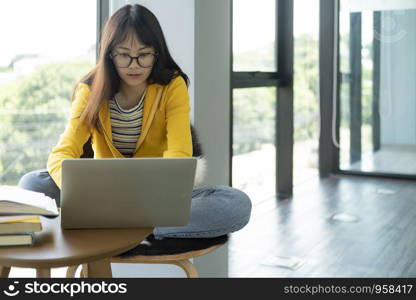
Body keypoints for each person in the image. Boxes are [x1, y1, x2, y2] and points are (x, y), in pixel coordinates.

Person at [18, 4, 251, 240]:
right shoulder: (89, 89)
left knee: (235, 203)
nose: (134, 64)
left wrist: (162, 198)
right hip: (103, 196)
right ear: (110, 54)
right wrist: (85, 194)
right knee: (32, 183)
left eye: (144, 54)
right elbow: (61, 155)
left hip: (155, 197)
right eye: (124, 55)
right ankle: (144, 230)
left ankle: (115, 229)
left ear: (156, 53)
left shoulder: (172, 85)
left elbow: (179, 156)